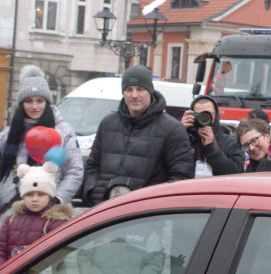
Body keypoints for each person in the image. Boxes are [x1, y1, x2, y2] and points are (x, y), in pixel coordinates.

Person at [82, 65, 194, 205]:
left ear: (150, 91)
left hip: (145, 217)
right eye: (129, 89)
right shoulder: (108, 123)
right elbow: (93, 165)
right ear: (123, 92)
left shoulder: (172, 128)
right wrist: (94, 193)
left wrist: (155, 204)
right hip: (104, 209)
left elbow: (181, 177)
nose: (134, 95)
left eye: (140, 89)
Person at [0, 66, 82, 233]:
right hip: (9, 210)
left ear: (47, 102)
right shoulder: (8, 134)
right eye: (28, 101)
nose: (34, 106)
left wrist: (55, 199)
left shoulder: (64, 132)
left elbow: (74, 171)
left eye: (39, 101)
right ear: (21, 104)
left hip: (50, 214)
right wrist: (1, 194)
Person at [0, 161, 73, 270]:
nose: (34, 199)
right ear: (22, 196)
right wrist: (0, 272)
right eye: (29, 194)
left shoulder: (56, 221)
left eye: (40, 194)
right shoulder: (11, 219)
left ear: (50, 196)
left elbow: (58, 254)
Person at [181, 96, 245, 177]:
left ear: (216, 115)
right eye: (199, 114)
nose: (203, 118)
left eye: (208, 114)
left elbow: (236, 173)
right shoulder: (185, 139)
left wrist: (212, 149)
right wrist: (180, 132)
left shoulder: (231, 143)